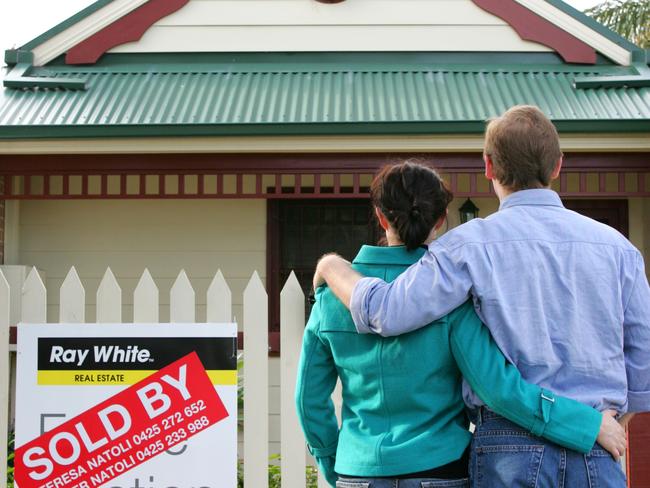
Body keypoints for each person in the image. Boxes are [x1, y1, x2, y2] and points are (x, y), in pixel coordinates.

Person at [313, 106, 650, 487]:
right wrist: (608, 425)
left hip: (509, 449)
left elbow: (385, 312)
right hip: (597, 440)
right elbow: (643, 359)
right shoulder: (618, 249)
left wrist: (331, 266)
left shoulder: (466, 247)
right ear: (557, 165)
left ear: (488, 166)